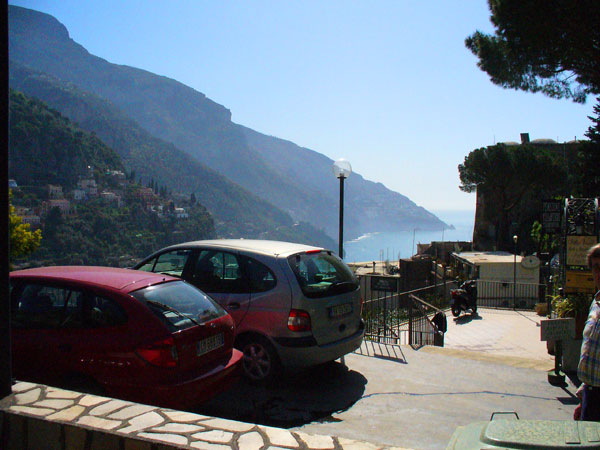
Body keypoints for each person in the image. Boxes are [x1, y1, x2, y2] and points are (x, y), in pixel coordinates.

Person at [577, 243, 600, 421]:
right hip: (590, 394)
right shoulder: (596, 304)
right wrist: (585, 388)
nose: (598, 273)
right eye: (595, 267)